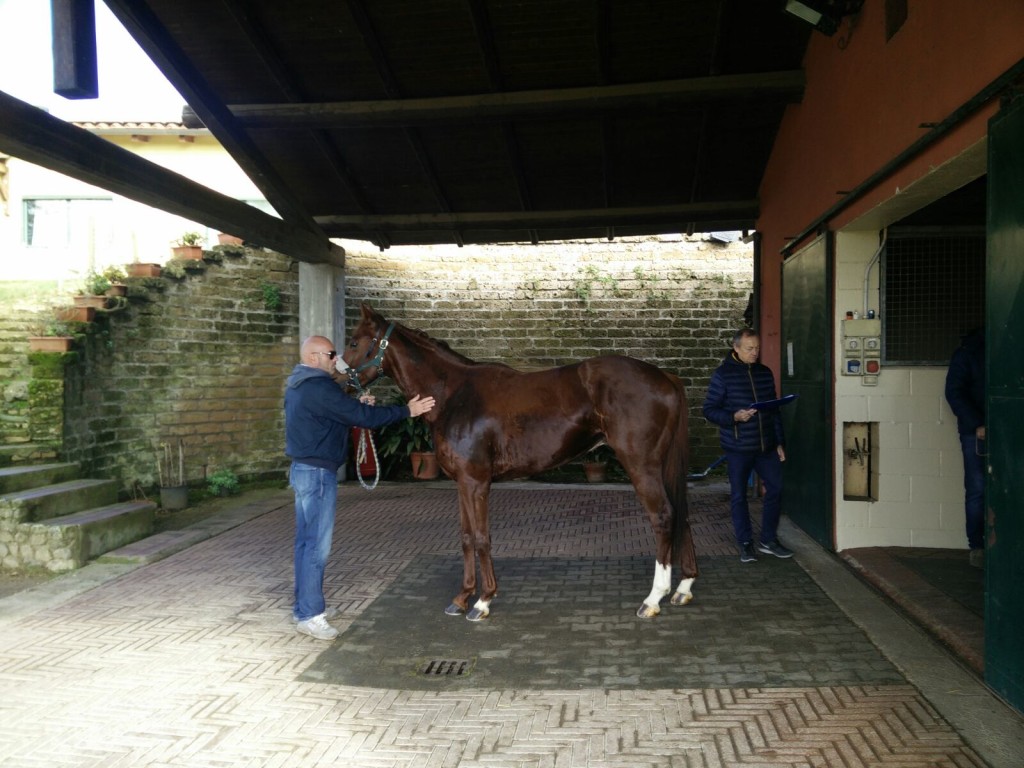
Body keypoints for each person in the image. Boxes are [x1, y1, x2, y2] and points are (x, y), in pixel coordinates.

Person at [285, 334, 435, 639]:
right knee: (316, 547)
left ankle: (305, 606)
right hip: (317, 476)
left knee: (305, 543)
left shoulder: (299, 384)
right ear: (313, 357)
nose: (336, 359)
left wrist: (355, 406)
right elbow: (360, 416)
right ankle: (311, 615)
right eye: (330, 354)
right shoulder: (318, 387)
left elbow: (332, 415)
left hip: (303, 471)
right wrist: (408, 411)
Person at [702, 329, 792, 563]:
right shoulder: (722, 375)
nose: (755, 353)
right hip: (738, 447)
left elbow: (774, 411)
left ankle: (768, 540)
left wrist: (779, 442)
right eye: (750, 349)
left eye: (757, 348)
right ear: (736, 348)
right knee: (739, 496)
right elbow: (709, 410)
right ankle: (744, 542)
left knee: (776, 489)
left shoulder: (764, 373)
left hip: (767, 447)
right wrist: (734, 416)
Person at [944, 327, 985, 569]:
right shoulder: (969, 353)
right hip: (978, 432)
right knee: (978, 490)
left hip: (976, 431)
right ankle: (978, 546)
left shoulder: (968, 352)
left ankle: (978, 546)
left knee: (977, 490)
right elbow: (954, 392)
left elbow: (955, 392)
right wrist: (977, 423)